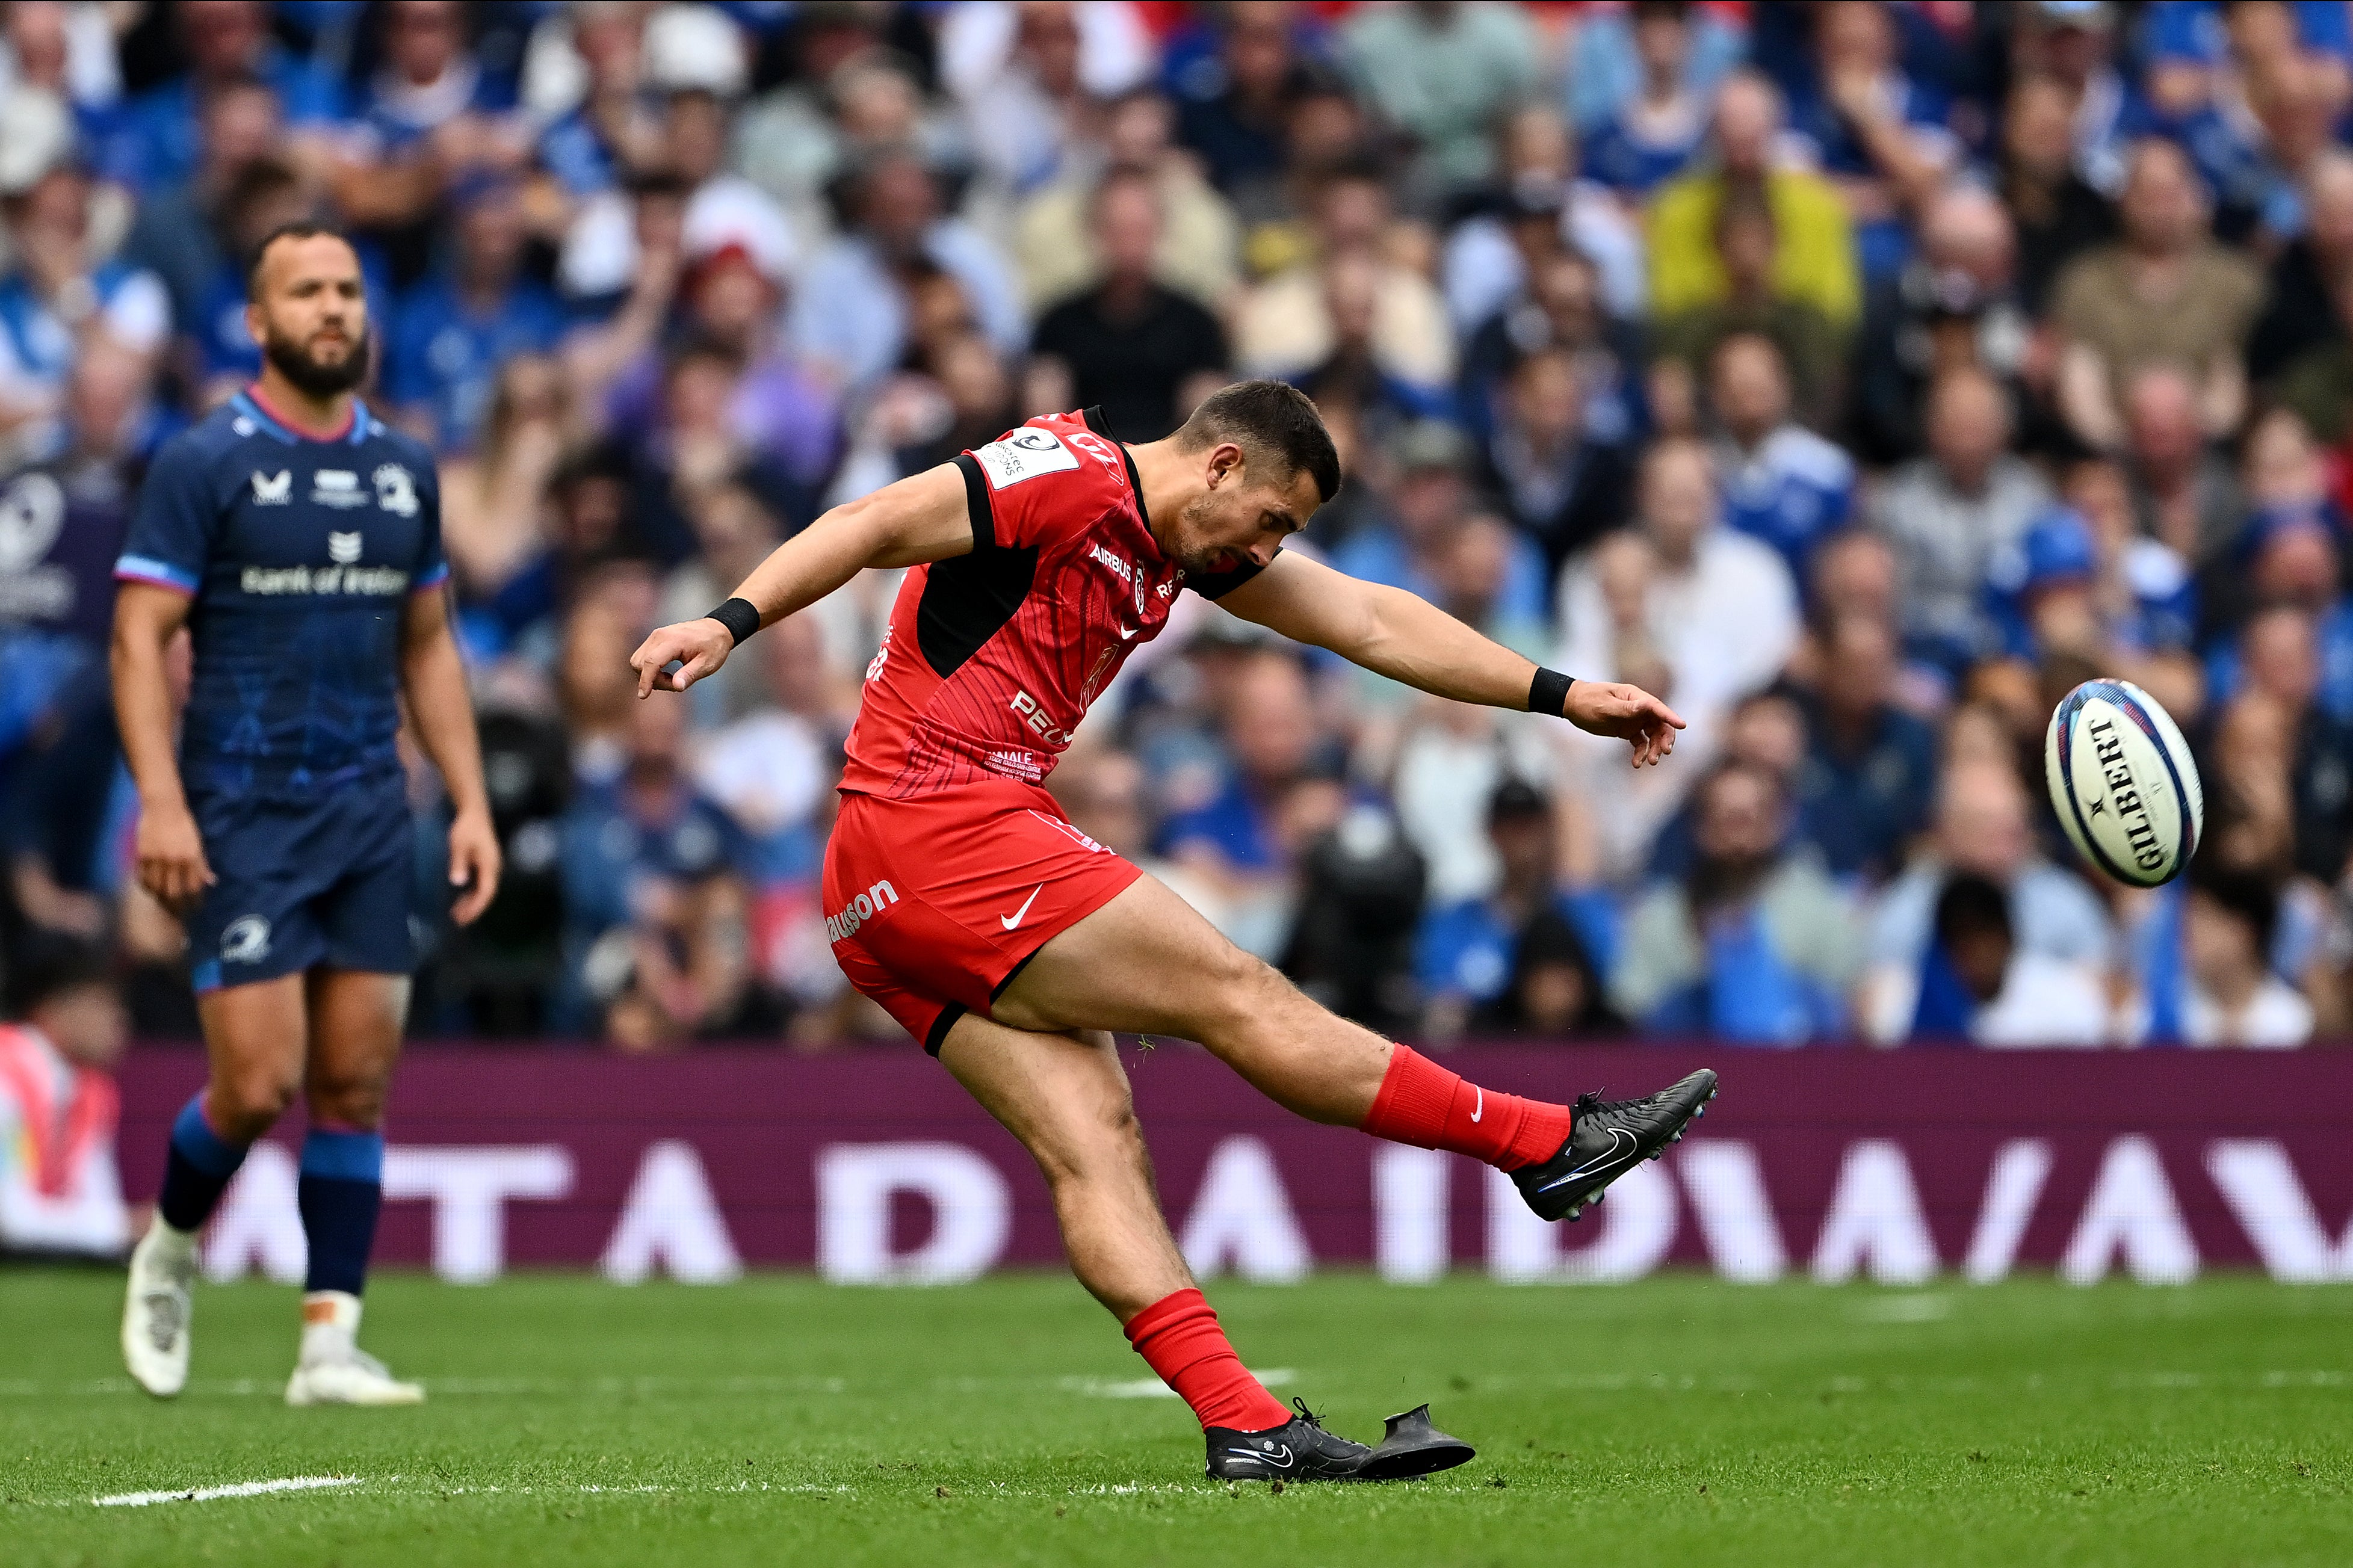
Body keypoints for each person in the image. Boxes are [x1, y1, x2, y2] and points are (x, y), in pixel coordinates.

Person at [629, 380, 1711, 1483]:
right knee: (1239, 993)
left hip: (882, 882)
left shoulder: (1185, 545)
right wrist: (728, 622)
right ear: (1224, 467)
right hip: (938, 824)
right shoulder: (1059, 477)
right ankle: (1545, 1144)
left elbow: (1369, 619)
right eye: (1275, 520)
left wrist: (1563, 694)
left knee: (1095, 1138)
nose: (1272, 547)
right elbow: (870, 524)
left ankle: (1246, 1425)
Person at [110, 224, 501, 1406]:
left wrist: (469, 802)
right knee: (256, 1083)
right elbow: (138, 640)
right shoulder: (205, 460)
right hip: (239, 811)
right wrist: (163, 802)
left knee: (356, 1081)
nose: (333, 309)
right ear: (259, 319)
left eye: (346, 290)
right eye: (306, 292)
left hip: (370, 815)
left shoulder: (404, 468)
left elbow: (427, 644)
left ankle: (329, 1343)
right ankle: (170, 1247)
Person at [0, 937, 129, 1261]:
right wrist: (125, 1226)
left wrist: (118, 1226)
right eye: (102, 1004)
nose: (120, 1020)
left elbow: (99, 1205)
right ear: (52, 1009)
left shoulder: (93, 1092)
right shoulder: (5, 1077)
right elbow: (10, 1221)